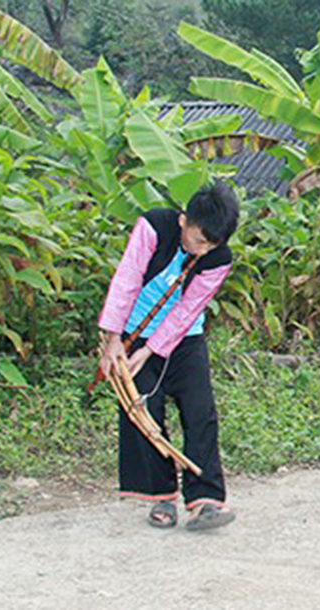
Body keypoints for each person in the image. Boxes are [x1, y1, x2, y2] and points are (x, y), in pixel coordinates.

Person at [97, 182, 239, 530]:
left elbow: (188, 310)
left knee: (200, 411)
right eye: (199, 240)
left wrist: (152, 351)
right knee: (144, 411)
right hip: (133, 333)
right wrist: (114, 339)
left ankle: (205, 499)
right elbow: (127, 279)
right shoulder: (153, 227)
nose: (203, 250)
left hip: (185, 337)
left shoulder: (218, 258)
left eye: (211, 245)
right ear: (183, 221)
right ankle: (161, 496)